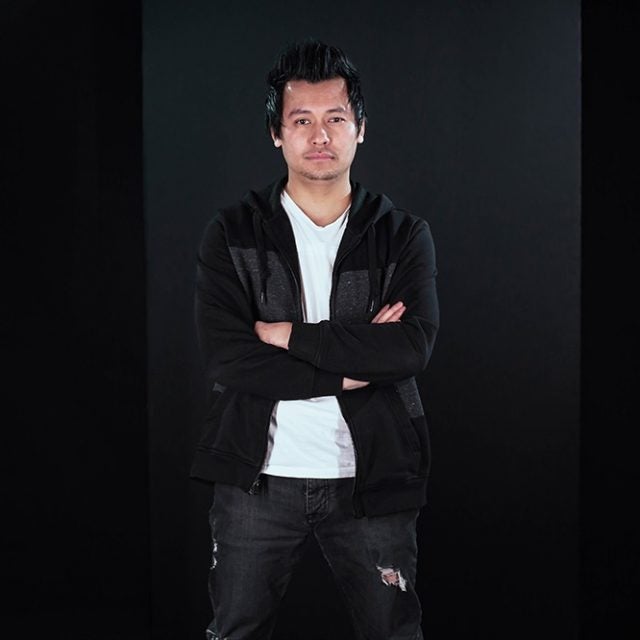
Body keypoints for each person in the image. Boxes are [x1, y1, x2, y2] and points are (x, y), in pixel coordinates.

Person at [192, 39, 439, 640]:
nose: (320, 135)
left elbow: (410, 348)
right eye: (301, 120)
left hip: (373, 474)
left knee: (394, 633)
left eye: (336, 118)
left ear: (361, 129)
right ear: (277, 133)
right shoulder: (233, 232)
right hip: (257, 477)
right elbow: (229, 358)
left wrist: (286, 335)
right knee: (235, 631)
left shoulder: (401, 235)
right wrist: (353, 365)